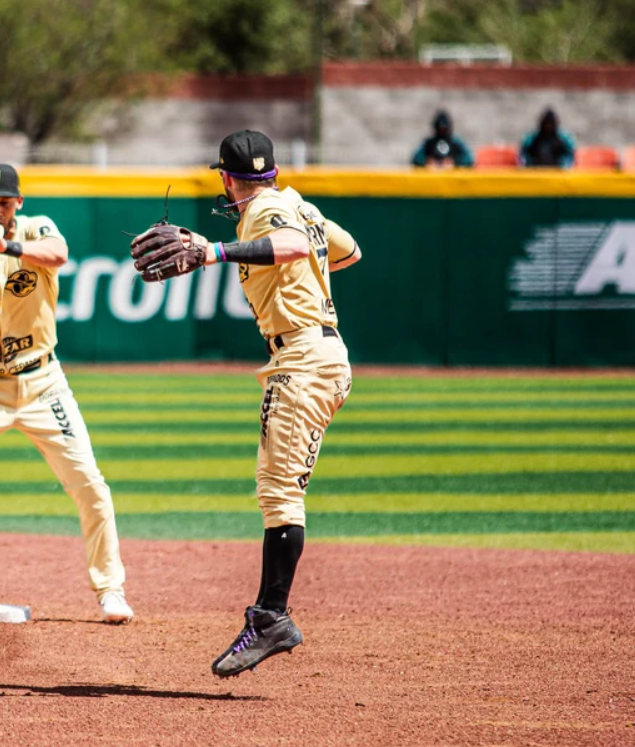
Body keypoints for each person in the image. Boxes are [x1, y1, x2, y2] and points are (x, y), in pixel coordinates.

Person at [128, 130, 361, 678]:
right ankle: (270, 615)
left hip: (302, 359)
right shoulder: (297, 204)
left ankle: (271, 618)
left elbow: (294, 248)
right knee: (279, 490)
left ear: (227, 178)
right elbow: (347, 251)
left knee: (280, 494)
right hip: (321, 355)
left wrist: (210, 250)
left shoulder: (263, 213)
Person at [0, 163, 133, 624]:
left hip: (41, 381)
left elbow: (57, 254)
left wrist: (7, 245)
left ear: (19, 202)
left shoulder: (37, 229)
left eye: (4, 202)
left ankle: (110, 587)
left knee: (89, 483)